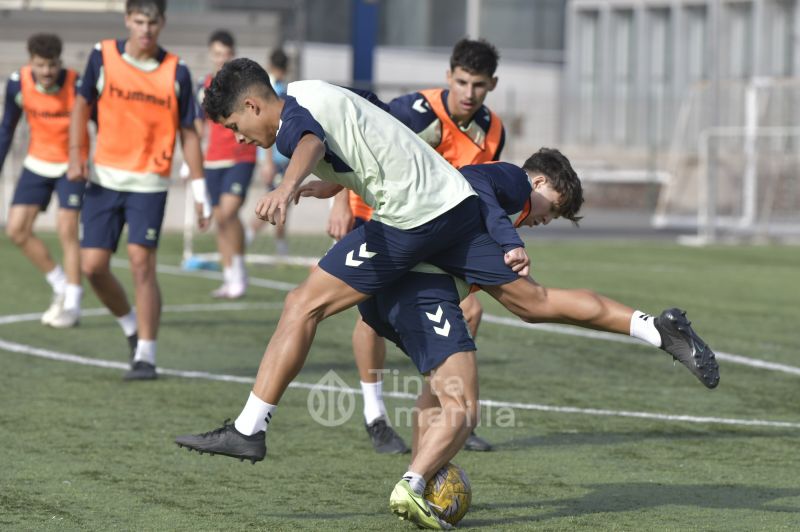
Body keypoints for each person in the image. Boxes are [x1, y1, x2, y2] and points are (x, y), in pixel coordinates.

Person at [173, 59, 719, 473]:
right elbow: (371, 122)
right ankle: (656, 329)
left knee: (303, 304)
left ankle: (251, 429)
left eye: (234, 125)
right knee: (534, 303)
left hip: (414, 218)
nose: (238, 138)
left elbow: (314, 139)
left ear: (253, 105)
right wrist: (334, 185)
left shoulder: (296, 116)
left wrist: (287, 186)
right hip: (442, 212)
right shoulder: (317, 92)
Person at [327, 38, 504, 454]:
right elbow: (357, 144)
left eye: (478, 84)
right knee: (370, 316)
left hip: (437, 227)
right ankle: (375, 415)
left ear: (492, 85)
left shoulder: (493, 130)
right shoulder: (414, 112)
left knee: (471, 311)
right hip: (377, 217)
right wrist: (339, 202)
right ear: (448, 76)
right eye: (462, 81)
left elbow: (480, 189)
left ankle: (449, 412)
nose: (469, 92)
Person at [67, 0, 209, 381]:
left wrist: (200, 192)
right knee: (92, 266)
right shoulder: (102, 56)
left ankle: (146, 354)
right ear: (128, 20)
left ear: (163, 23)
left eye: (153, 22)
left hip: (150, 182)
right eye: (140, 21)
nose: (146, 29)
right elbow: (81, 106)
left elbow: (189, 133)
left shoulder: (177, 70)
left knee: (141, 264)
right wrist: (77, 154)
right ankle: (131, 325)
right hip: (103, 179)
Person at [1, 33, 89, 328]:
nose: (47, 71)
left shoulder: (77, 85)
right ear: (30, 62)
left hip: (71, 165)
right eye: (40, 65)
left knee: (67, 229)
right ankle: (60, 284)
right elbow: (7, 128)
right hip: (37, 162)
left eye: (52, 65)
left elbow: (101, 121)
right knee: (16, 230)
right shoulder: (18, 84)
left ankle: (73, 305)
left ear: (60, 63)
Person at [197, 29, 257, 299]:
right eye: (217, 54)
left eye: (227, 54)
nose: (222, 59)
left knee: (228, 212)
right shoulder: (205, 86)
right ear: (211, 55)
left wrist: (267, 158)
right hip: (213, 160)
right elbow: (198, 126)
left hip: (241, 156)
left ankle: (240, 270)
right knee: (220, 219)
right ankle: (229, 275)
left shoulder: (244, 85)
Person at [246, 48, 291, 256]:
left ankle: (279, 245)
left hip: (282, 157)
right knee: (277, 202)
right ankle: (249, 237)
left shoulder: (280, 87)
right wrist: (268, 162)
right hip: (275, 158)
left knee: (281, 202)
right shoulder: (271, 90)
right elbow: (269, 127)